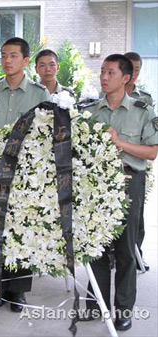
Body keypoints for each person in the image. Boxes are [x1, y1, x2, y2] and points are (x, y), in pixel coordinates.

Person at [81, 54, 158, 331]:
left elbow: (152, 152)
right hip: (94, 185)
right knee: (95, 247)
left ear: (126, 78)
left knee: (125, 250)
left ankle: (123, 310)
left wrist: (120, 143)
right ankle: (95, 306)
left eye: (110, 72)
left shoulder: (142, 110)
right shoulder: (89, 111)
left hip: (128, 181)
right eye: (102, 71)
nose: (103, 76)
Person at [0, 37, 49, 311]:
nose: (7, 60)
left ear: (26, 60)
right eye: (4, 55)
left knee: (22, 228)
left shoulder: (39, 94)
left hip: (26, 173)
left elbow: (43, 133)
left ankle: (18, 291)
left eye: (14, 56)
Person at [124, 51, 155, 272]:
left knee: (137, 214)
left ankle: (137, 253)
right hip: (112, 163)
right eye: (131, 68)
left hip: (137, 160)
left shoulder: (145, 99)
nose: (134, 73)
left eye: (137, 68)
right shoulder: (101, 97)